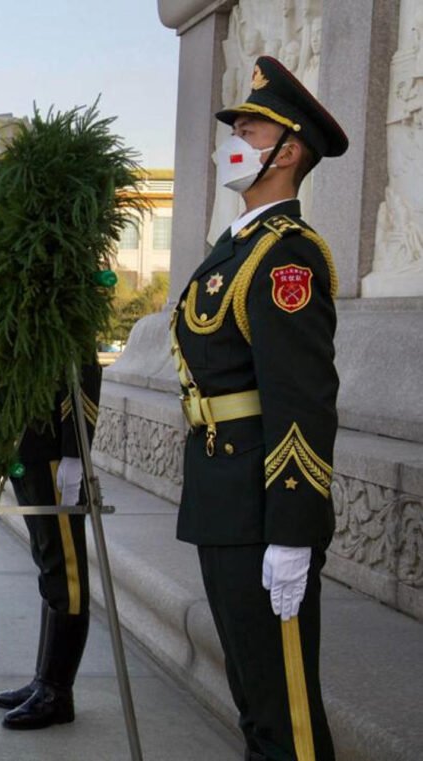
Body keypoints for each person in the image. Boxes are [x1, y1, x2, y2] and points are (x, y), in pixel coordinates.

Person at [172, 56, 348, 761]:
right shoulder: (237, 246)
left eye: (250, 128)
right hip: (223, 494)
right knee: (255, 698)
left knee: (286, 714)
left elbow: (302, 403)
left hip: (260, 503)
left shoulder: (286, 259)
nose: (233, 140)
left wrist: (294, 531)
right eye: (237, 126)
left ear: (290, 150)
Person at [0, 358, 101, 730]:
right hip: (27, 443)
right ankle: (44, 678)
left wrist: (76, 447)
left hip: (54, 446)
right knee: (47, 560)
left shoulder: (63, 295)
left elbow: (84, 367)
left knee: (65, 568)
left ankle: (58, 691)